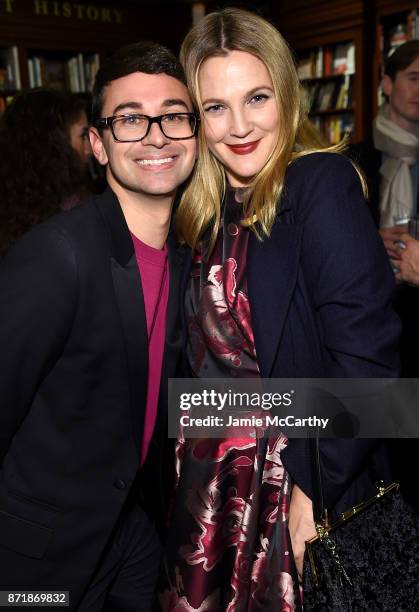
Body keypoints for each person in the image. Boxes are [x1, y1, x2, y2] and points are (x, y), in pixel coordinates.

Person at [160, 8, 400, 611]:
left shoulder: (319, 185)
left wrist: (312, 491)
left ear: (287, 98)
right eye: (215, 107)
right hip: (209, 492)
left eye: (257, 97)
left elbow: (371, 362)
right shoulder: (205, 212)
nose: (238, 125)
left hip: (289, 479)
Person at [0, 41, 197, 610]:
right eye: (131, 119)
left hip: (129, 540)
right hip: (35, 562)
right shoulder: (59, 255)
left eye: (173, 116)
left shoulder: (189, 258)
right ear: (97, 145)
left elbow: (180, 399)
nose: (156, 135)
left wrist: (363, 410)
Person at [349, 41, 419, 514]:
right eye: (414, 77)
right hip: (369, 321)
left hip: (418, 320)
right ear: (387, 84)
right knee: (379, 457)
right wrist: (367, 242)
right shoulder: (349, 159)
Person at [0, 88, 92, 257]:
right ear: (56, 143)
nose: (90, 148)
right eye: (83, 135)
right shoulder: (76, 213)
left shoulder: (11, 204)